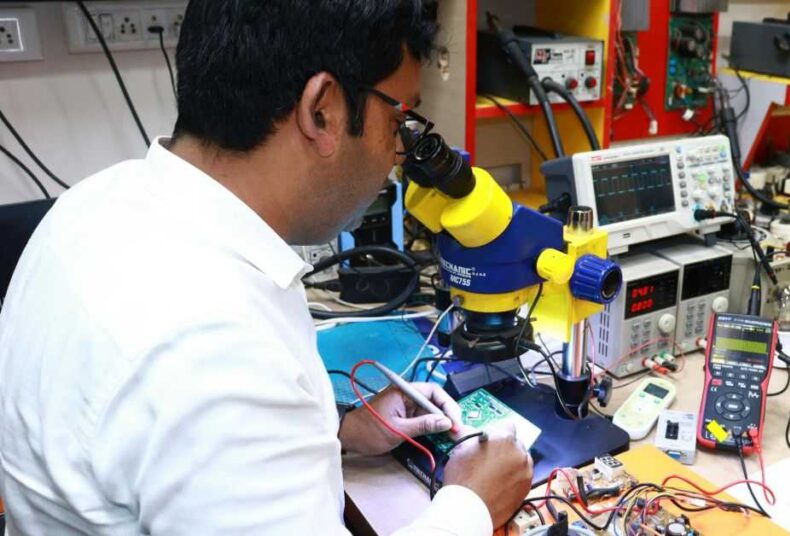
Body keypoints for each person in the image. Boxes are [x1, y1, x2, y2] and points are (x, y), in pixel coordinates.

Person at [0, 1, 533, 534]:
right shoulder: (215, 343)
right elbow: (217, 402)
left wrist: (338, 431)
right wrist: (472, 503)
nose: (398, 154)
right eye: (398, 121)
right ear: (322, 109)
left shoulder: (98, 201)